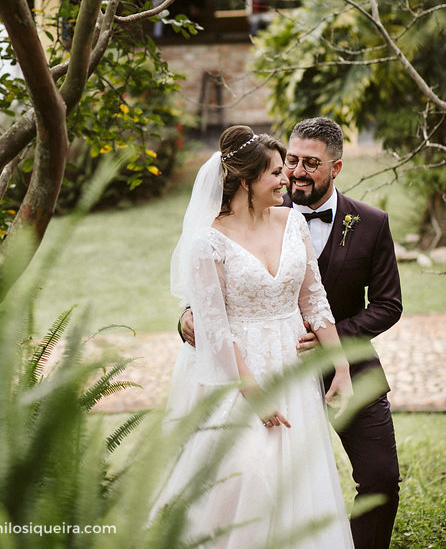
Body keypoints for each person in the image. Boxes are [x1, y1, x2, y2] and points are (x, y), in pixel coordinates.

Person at [182, 117, 403, 549]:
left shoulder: (370, 223)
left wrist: (331, 345)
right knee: (251, 482)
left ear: (335, 168)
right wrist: (188, 317)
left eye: (309, 164)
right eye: (289, 163)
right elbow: (208, 302)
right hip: (254, 367)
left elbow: (385, 304)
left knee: (379, 479)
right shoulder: (214, 235)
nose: (295, 173)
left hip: (339, 361)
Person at [153, 125, 355, 548]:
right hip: (236, 374)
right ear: (246, 181)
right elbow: (214, 329)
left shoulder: (293, 222)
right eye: (276, 173)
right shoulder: (208, 242)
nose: (287, 179)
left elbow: (313, 298)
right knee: (243, 476)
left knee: (294, 480)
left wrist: (339, 365)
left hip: (291, 367)